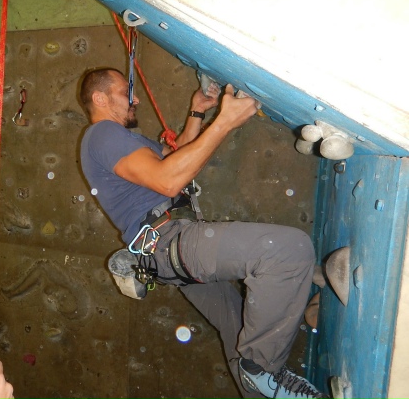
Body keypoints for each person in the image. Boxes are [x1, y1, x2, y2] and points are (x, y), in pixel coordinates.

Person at [79, 67, 330, 399]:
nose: (135, 98)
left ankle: (259, 382)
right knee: (287, 251)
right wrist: (224, 122)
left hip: (164, 253)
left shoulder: (116, 140)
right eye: (126, 91)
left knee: (237, 328)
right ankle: (263, 370)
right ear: (100, 98)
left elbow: (177, 156)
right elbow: (169, 179)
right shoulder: (103, 134)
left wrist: (198, 112)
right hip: (168, 242)